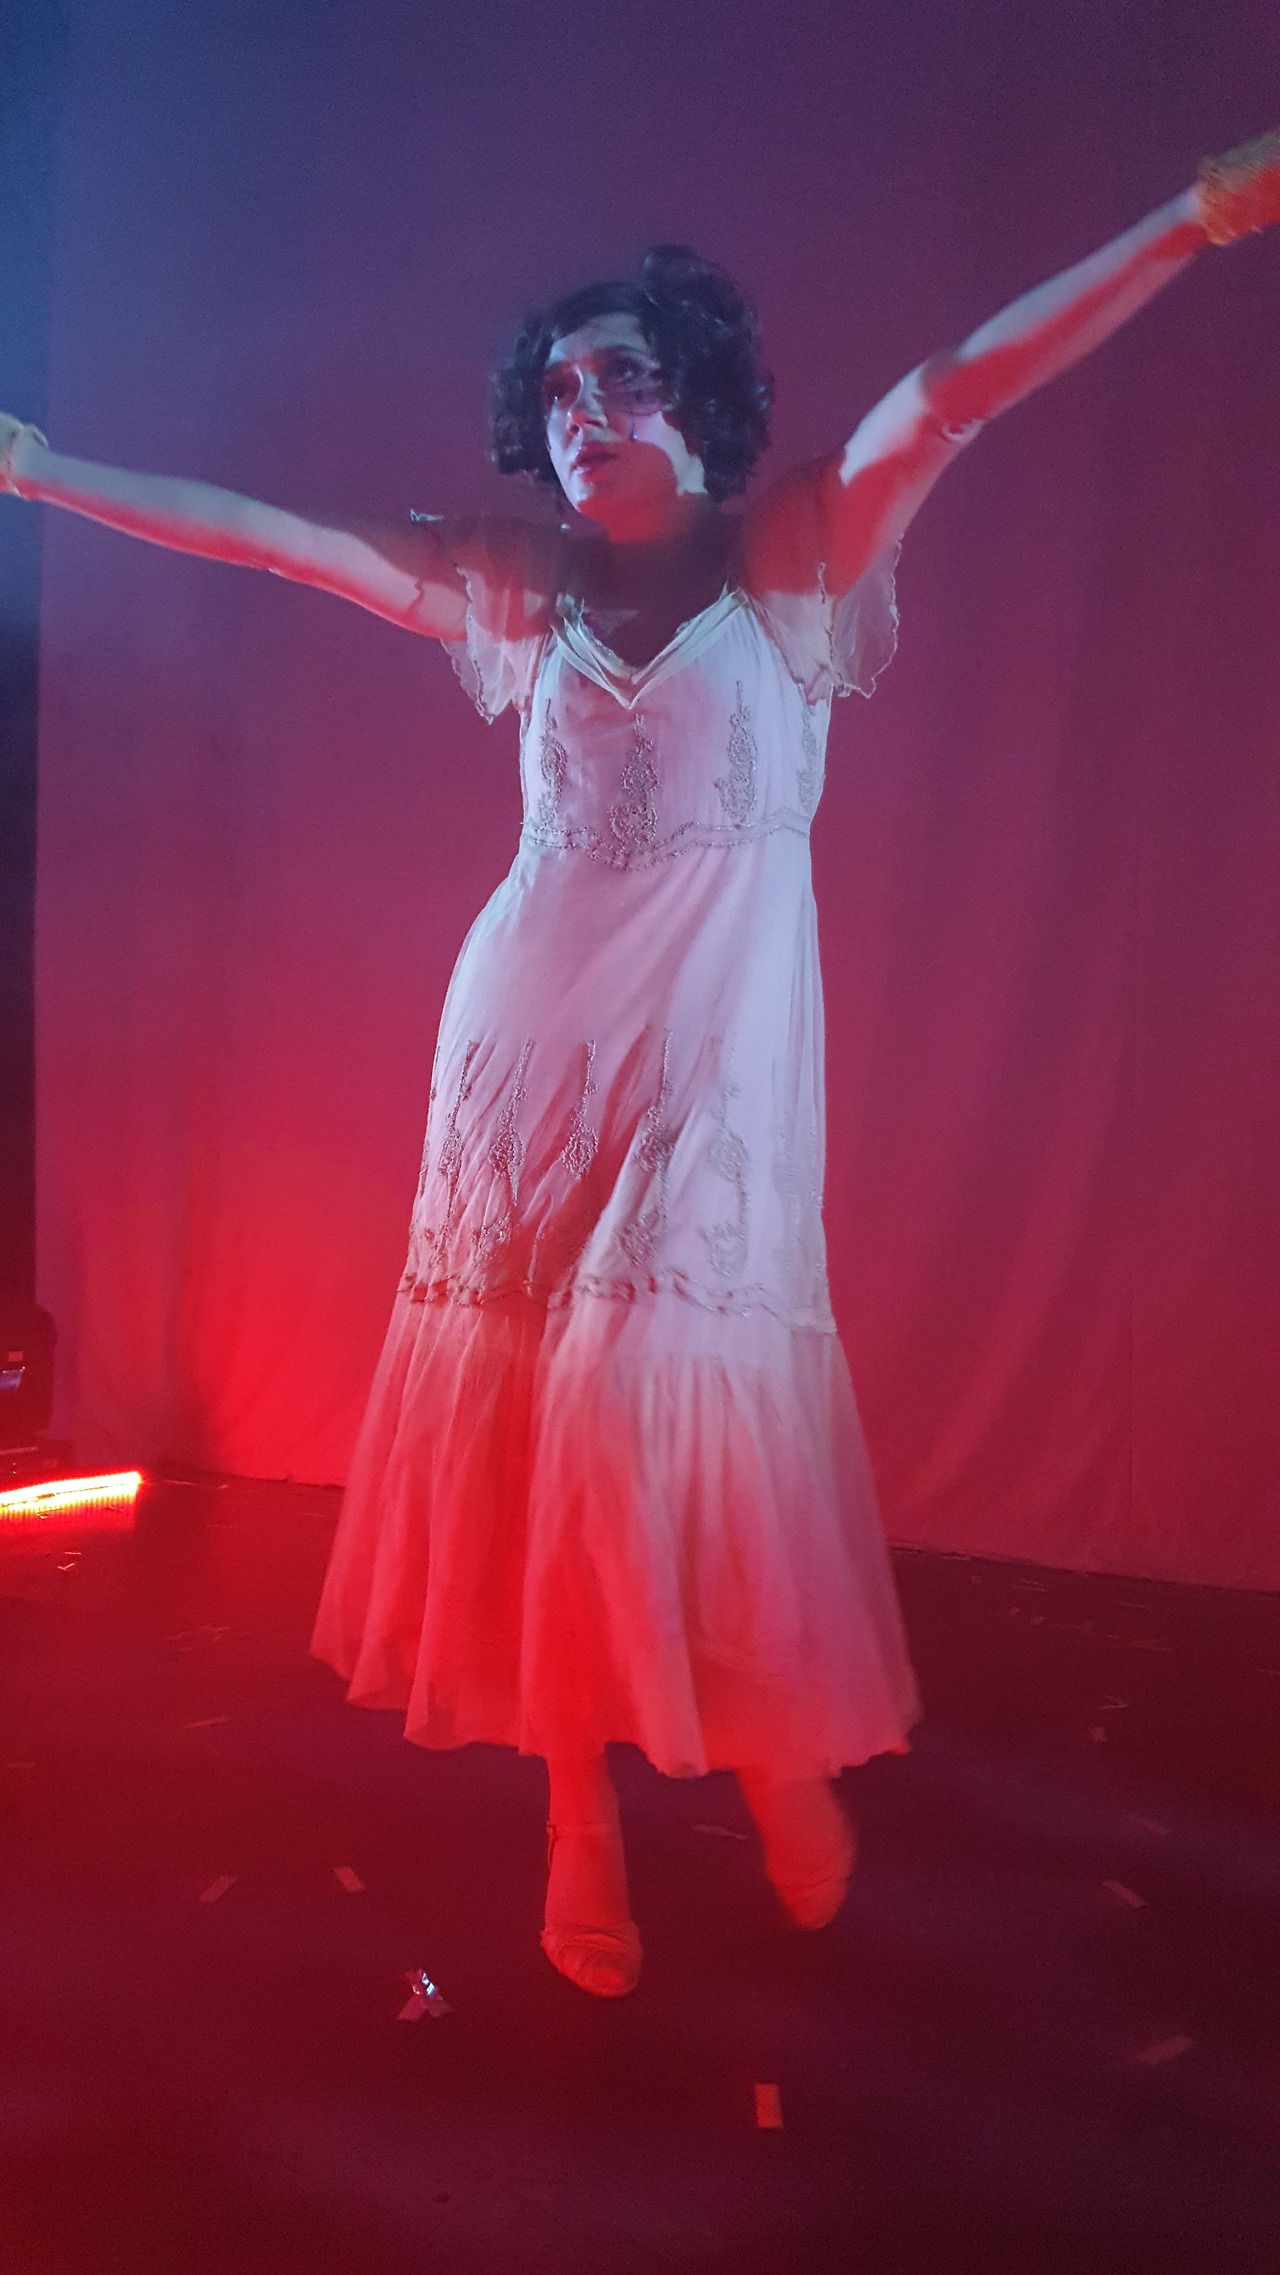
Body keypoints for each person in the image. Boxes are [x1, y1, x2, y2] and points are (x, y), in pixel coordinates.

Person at [4, 131, 1276, 1999]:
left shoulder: (797, 554)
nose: (583, 410)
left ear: (698, 394)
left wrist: (1195, 218)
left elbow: (953, 391)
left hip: (712, 1071)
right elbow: (271, 534)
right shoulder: (514, 581)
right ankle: (576, 1813)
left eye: (619, 375)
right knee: (546, 1430)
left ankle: (765, 1750)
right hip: (525, 1052)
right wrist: (38, 470)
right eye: (556, 392)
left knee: (645, 1402)